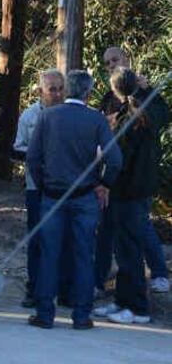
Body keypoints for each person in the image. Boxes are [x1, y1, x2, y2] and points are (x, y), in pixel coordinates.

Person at [26, 70, 122, 330]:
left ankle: (45, 313)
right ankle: (81, 315)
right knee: (83, 255)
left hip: (52, 196)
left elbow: (32, 158)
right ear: (88, 93)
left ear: (67, 90)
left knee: (49, 254)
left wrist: (44, 183)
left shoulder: (47, 117)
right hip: (84, 196)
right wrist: (103, 183)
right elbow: (115, 159)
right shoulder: (96, 120)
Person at [93, 69, 169, 324]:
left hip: (130, 191)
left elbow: (119, 161)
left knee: (130, 250)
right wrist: (146, 89)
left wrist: (105, 182)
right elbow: (161, 106)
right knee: (123, 248)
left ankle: (138, 308)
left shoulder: (135, 119)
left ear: (116, 89)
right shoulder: (139, 111)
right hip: (130, 191)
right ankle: (122, 300)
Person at [13, 69, 65, 308]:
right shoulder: (29, 116)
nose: (56, 93)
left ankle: (64, 288)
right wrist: (37, 156)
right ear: (41, 91)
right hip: (37, 187)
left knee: (65, 239)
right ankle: (34, 288)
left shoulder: (71, 115)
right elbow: (18, 147)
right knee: (36, 238)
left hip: (66, 187)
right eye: (51, 89)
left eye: (60, 88)